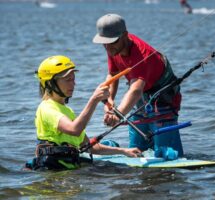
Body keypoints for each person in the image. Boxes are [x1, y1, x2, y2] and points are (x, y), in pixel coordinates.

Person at [26, 55, 141, 170]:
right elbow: (74, 129)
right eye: (68, 80)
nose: (73, 84)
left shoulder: (67, 111)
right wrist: (94, 99)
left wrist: (124, 151)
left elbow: (89, 147)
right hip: (54, 173)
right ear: (50, 83)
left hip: (70, 172)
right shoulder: (46, 108)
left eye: (73, 79)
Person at [92, 14, 184, 157]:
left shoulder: (141, 54)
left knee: (165, 152)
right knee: (136, 148)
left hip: (162, 96)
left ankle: (169, 160)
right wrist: (109, 104)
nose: (108, 47)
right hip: (140, 96)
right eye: (104, 43)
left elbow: (135, 89)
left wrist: (118, 114)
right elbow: (113, 75)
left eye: (112, 42)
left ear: (125, 35)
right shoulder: (113, 47)